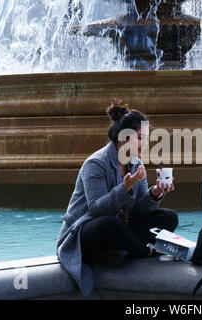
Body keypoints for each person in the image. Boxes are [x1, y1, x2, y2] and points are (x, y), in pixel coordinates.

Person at [56, 100, 178, 296]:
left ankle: (120, 250)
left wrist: (156, 193)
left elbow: (139, 209)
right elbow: (96, 210)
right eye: (140, 138)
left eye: (147, 139)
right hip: (83, 232)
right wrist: (125, 187)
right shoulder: (95, 164)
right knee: (110, 225)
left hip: (120, 227)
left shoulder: (136, 163)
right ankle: (145, 251)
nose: (144, 144)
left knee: (169, 217)